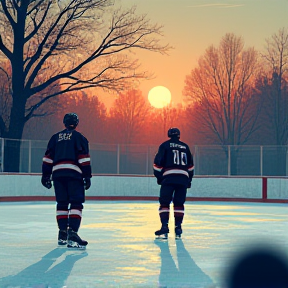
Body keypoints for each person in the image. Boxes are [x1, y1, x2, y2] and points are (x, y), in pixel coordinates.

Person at [41, 113, 92, 249]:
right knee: (76, 203)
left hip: (57, 174)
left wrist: (45, 175)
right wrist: (87, 176)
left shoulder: (55, 138)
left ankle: (62, 233)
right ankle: (73, 234)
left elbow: (48, 158)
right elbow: (84, 159)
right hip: (74, 174)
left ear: (64, 123)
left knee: (62, 204)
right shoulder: (79, 138)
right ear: (76, 123)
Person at [153, 127, 194, 239]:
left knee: (164, 202)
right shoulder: (185, 147)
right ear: (179, 135)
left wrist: (159, 178)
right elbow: (190, 167)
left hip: (169, 178)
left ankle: (165, 226)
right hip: (183, 179)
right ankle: (178, 227)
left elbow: (157, 164)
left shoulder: (165, 145)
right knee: (179, 204)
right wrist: (188, 181)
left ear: (169, 135)